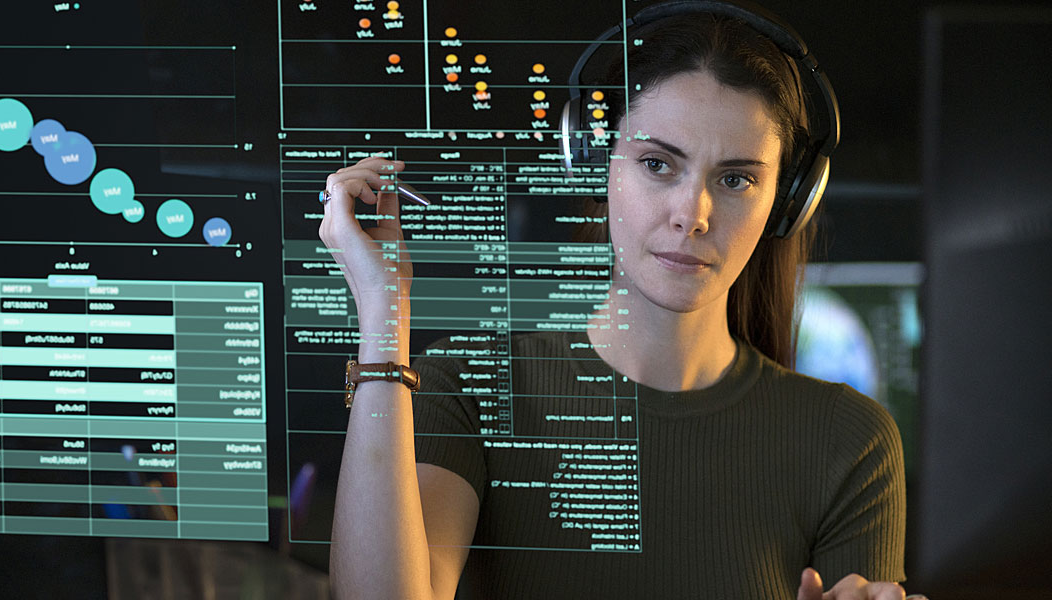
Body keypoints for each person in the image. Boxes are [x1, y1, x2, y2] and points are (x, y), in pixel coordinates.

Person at [318, 6, 911, 599]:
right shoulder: (468, 390)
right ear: (598, 165)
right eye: (658, 164)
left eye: (736, 180)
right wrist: (382, 312)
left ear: (786, 201)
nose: (692, 215)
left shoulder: (849, 441)